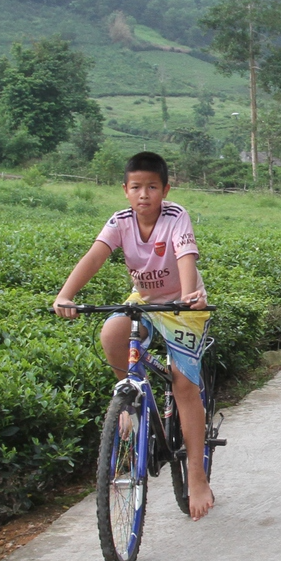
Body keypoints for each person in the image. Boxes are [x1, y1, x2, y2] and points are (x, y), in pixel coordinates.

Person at [53, 151, 215, 520]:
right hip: (143, 300)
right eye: (137, 188)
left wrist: (188, 296)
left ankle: (196, 472)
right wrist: (66, 295)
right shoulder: (120, 221)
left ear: (165, 190)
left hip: (182, 306)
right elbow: (94, 256)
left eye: (152, 187)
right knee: (111, 332)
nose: (144, 195)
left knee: (183, 385)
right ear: (125, 190)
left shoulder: (176, 217)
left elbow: (185, 255)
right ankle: (129, 399)